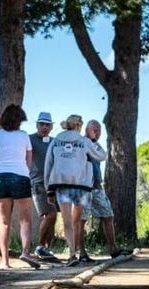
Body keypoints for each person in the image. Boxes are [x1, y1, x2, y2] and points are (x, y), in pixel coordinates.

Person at [44, 114, 105, 267]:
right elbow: (102, 155)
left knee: (67, 222)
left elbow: (48, 165)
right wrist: (92, 139)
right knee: (76, 221)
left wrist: (49, 190)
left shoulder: (56, 140)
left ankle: (72, 254)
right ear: (79, 126)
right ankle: (75, 252)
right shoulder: (84, 141)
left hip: (61, 185)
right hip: (81, 186)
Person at [0, 103, 40, 270]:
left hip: (0, 177)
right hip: (20, 176)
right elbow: (28, 160)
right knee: (25, 219)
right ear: (19, 121)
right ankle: (25, 252)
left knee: (4, 222)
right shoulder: (24, 136)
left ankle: (4, 262)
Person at [78, 119, 133, 262]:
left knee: (108, 215)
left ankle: (113, 249)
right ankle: (82, 253)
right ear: (86, 130)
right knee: (81, 220)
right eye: (94, 130)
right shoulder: (81, 143)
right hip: (83, 188)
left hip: (97, 188)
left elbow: (102, 157)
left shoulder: (96, 146)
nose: (96, 133)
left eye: (99, 131)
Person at [29, 111, 60, 262]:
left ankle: (46, 249)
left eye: (47, 124)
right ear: (37, 125)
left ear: (51, 127)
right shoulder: (29, 140)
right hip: (37, 183)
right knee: (50, 214)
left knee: (53, 218)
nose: (44, 127)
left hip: (53, 185)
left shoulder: (55, 141)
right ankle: (40, 246)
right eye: (41, 124)